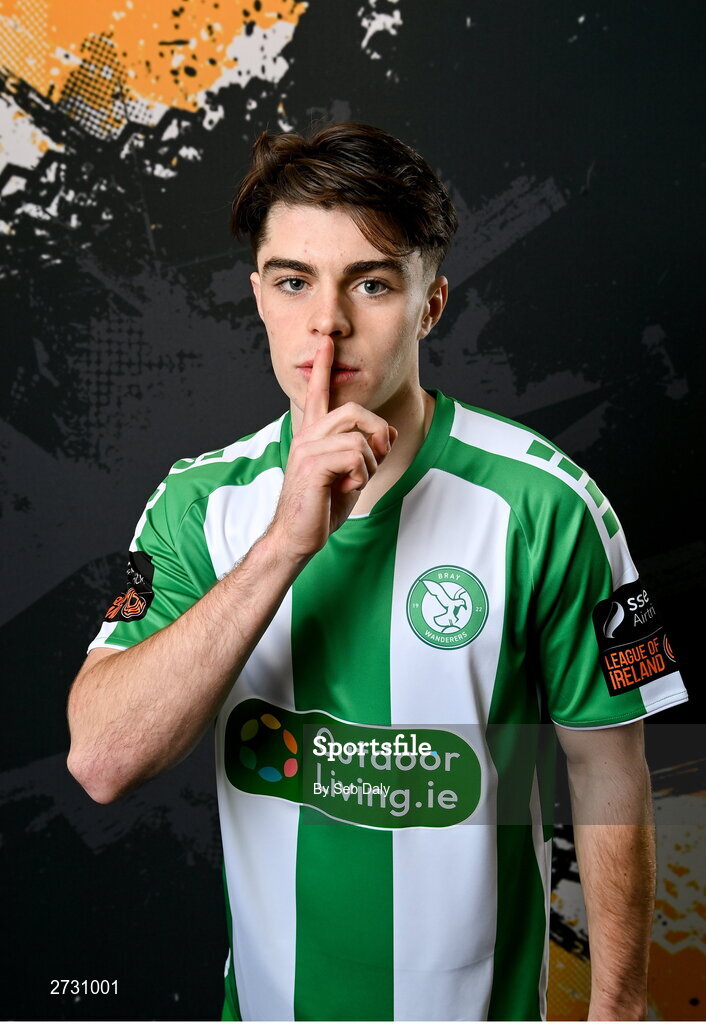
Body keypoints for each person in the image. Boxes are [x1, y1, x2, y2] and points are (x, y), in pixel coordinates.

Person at [67, 122, 688, 1022]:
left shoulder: (548, 503)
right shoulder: (194, 504)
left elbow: (609, 765)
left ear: (429, 304)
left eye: (372, 282)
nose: (328, 323)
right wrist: (283, 541)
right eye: (293, 282)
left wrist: (619, 1008)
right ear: (259, 299)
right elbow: (100, 757)